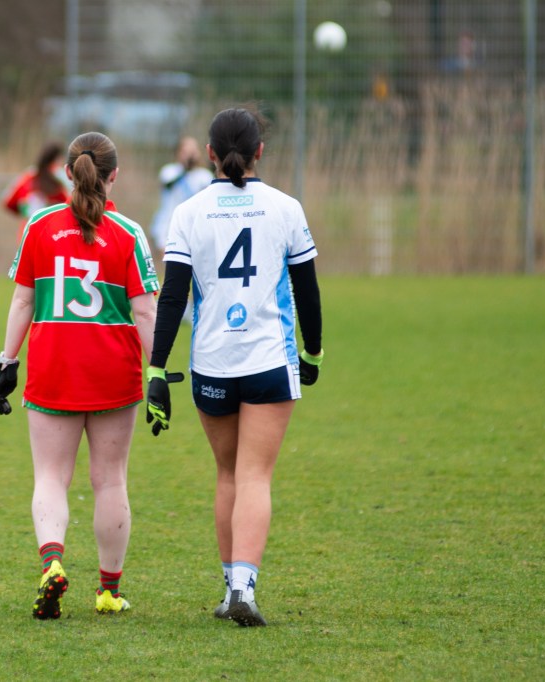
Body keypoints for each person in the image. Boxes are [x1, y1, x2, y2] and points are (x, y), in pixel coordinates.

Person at [145, 107, 324, 627]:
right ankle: (245, 587)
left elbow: (172, 297)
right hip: (269, 360)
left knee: (228, 474)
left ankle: (230, 591)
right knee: (255, 476)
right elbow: (308, 291)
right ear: (259, 152)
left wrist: (156, 370)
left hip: (213, 363)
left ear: (209, 154)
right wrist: (312, 352)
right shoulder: (286, 208)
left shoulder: (189, 212)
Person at [0, 131, 161, 621]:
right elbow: (145, 312)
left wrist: (7, 362)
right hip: (113, 372)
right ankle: (108, 591)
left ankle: (52, 564)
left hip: (53, 367)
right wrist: (159, 374)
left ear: (67, 173)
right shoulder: (129, 233)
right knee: (110, 481)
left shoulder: (38, 226)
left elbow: (23, 300)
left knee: (51, 477)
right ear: (114, 175)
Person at [149, 136, 214, 256]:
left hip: (195, 228)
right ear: (178, 153)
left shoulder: (204, 176)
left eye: (193, 151)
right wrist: (185, 169)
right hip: (168, 226)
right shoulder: (169, 171)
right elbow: (167, 184)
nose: (189, 155)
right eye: (185, 151)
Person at [1, 141, 72, 243]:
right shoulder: (60, 178)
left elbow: (8, 202)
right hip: (53, 238)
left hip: (27, 236)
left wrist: (25, 212)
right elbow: (71, 207)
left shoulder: (28, 177)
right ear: (58, 158)